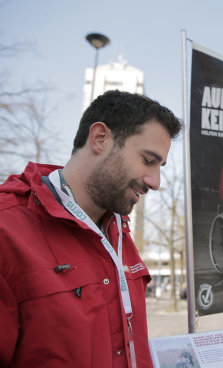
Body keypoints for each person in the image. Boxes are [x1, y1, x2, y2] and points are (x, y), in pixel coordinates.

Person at [0, 90, 182, 367]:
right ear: (100, 138)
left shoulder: (120, 232)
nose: (156, 181)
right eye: (148, 160)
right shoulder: (7, 228)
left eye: (161, 166)